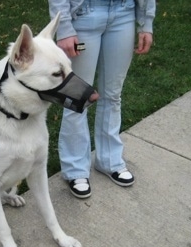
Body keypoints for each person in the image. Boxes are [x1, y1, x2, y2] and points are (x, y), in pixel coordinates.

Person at [48, 0, 156, 198]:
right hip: (84, 15)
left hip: (124, 13)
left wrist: (146, 23)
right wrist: (64, 27)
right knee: (77, 97)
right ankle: (75, 169)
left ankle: (110, 160)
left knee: (113, 95)